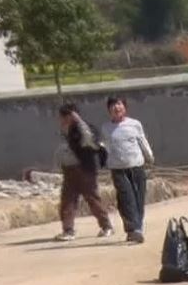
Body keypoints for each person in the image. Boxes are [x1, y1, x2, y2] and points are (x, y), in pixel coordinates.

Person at [54, 103, 113, 242]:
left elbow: (90, 141)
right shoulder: (65, 131)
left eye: (63, 116)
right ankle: (68, 230)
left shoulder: (85, 128)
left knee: (93, 199)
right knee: (67, 201)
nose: (61, 119)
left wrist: (79, 121)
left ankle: (106, 226)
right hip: (69, 171)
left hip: (85, 169)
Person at [101, 96, 154, 244]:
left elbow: (142, 141)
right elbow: (106, 147)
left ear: (124, 107)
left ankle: (136, 229)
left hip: (136, 166)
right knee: (126, 199)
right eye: (112, 105)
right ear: (108, 110)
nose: (116, 108)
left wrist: (149, 157)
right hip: (117, 169)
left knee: (138, 199)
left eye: (119, 104)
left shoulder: (134, 124)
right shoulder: (106, 128)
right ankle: (134, 229)